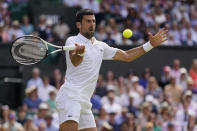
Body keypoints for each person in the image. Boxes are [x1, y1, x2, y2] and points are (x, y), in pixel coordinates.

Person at [55, 9, 168, 131]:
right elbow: (75, 61)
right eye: (88, 21)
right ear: (79, 25)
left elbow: (127, 56)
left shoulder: (101, 46)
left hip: (84, 101)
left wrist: (150, 45)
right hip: (70, 96)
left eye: (93, 21)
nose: (92, 24)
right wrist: (81, 53)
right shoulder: (72, 41)